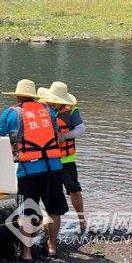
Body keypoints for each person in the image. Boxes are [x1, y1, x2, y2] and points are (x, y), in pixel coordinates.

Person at [0, 79, 68, 260]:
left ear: (18, 96)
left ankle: (27, 253)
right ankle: (52, 247)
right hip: (53, 168)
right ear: (34, 96)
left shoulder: (12, 113)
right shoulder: (49, 111)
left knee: (26, 211)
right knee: (54, 209)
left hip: (28, 171)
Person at [38, 81, 86, 232]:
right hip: (48, 158)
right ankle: (51, 223)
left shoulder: (72, 111)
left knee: (73, 189)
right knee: (47, 191)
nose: (54, 103)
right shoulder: (42, 107)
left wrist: (65, 137)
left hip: (66, 159)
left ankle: (81, 220)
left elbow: (80, 129)